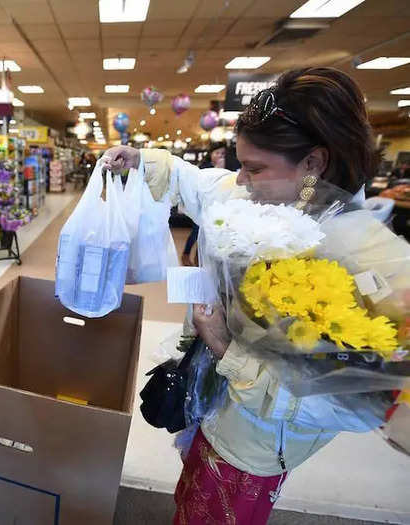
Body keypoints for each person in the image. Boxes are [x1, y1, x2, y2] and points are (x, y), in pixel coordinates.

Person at [102, 67, 379, 525]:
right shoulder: (259, 195)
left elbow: (344, 401)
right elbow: (203, 186)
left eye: (255, 168)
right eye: (241, 164)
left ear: (314, 163)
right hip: (211, 408)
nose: (243, 180)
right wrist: (142, 160)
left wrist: (224, 348)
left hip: (254, 441)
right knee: (189, 502)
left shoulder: (354, 262)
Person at [181, 143, 227, 266]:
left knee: (207, 234)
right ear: (211, 154)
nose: (220, 156)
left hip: (216, 205)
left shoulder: (227, 167)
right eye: (217, 153)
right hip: (202, 205)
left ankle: (198, 258)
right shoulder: (204, 167)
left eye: (223, 154)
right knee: (196, 232)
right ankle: (186, 255)